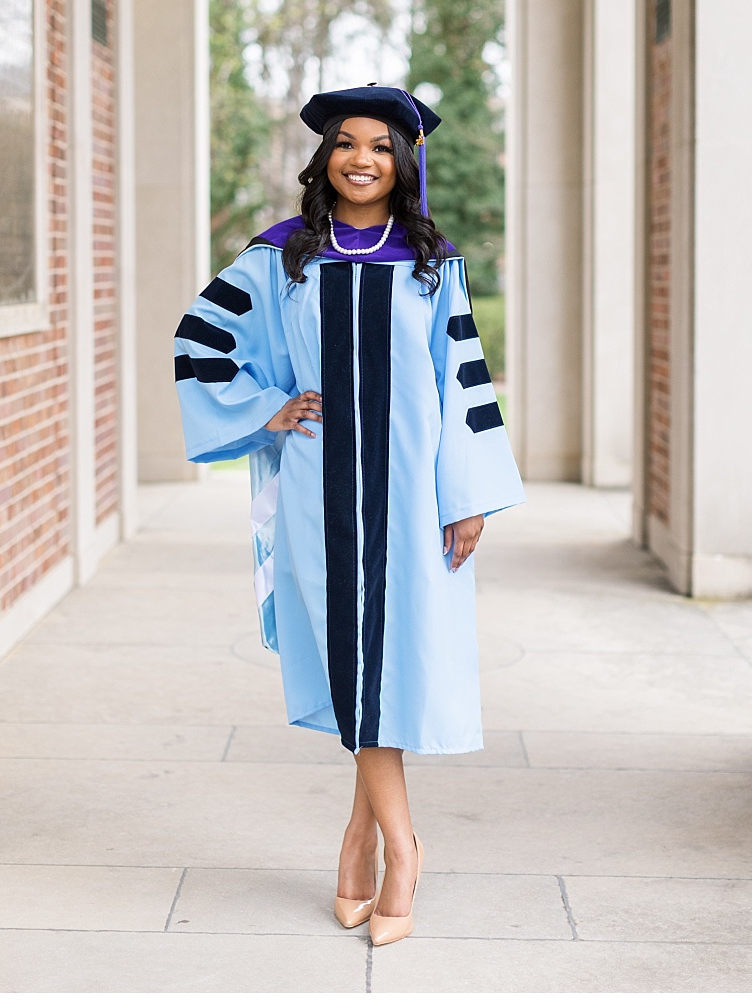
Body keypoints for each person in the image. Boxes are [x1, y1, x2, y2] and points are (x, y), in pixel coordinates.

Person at [174, 85, 524, 947]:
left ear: (403, 162)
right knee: (351, 660)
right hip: (317, 491)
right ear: (324, 157)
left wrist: (466, 491)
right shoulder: (280, 257)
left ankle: (368, 837)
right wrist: (271, 406)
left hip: (411, 494)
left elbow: (462, 385)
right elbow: (199, 339)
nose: (361, 157)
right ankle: (400, 844)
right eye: (345, 143)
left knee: (388, 660)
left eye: (379, 145)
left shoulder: (432, 263)